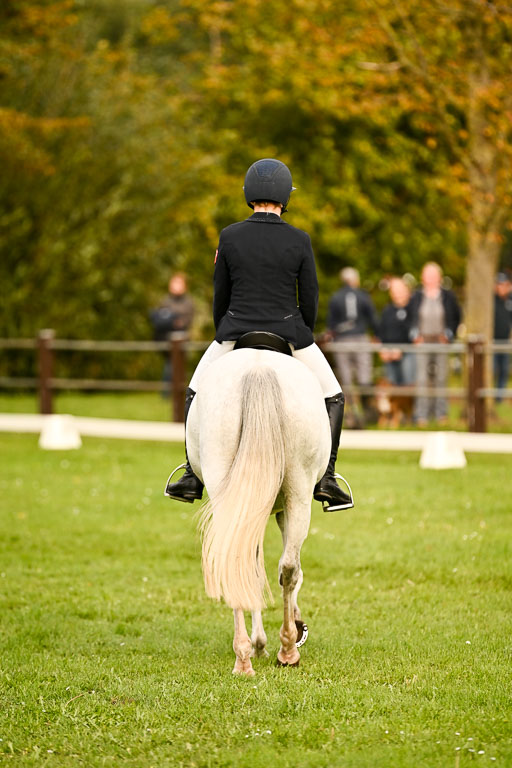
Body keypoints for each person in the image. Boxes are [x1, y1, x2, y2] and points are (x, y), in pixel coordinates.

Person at [165, 158, 353, 512]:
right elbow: (309, 297)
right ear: (285, 197)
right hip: (289, 332)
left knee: (194, 390)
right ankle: (327, 477)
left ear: (249, 194)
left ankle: (191, 473)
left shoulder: (230, 235)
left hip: (236, 331)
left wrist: (226, 329)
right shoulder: (299, 239)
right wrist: (303, 333)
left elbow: (219, 294)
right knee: (334, 395)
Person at [408, 262, 461, 425]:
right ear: (423, 278)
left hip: (441, 342)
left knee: (441, 379)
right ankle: (422, 414)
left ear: (439, 277)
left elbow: (457, 317)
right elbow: (410, 318)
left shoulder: (448, 296)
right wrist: (415, 335)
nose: (430, 279)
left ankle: (441, 414)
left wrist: (449, 334)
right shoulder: (416, 296)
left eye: (433, 275)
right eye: (427, 275)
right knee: (422, 379)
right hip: (423, 341)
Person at [326, 267, 379, 426]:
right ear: (355, 280)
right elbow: (373, 318)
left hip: (342, 341)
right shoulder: (363, 296)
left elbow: (331, 324)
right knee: (365, 376)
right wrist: (377, 335)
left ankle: (350, 415)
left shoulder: (336, 297)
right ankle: (367, 413)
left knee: (346, 380)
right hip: (360, 339)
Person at [150, 273, 195, 394]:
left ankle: (176, 392)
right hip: (165, 339)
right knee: (169, 365)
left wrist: (172, 318)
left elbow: (185, 321)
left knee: (177, 367)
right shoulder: (166, 300)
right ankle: (167, 393)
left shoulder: (188, 302)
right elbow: (160, 318)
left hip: (182, 339)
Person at [378, 277, 415, 386]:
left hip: (408, 354)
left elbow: (413, 333)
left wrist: (401, 350)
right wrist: (382, 350)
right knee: (392, 388)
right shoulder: (387, 310)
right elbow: (381, 332)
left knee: (407, 388)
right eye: (394, 291)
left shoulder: (413, 309)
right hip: (389, 356)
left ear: (407, 290)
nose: (396, 294)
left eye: (399, 290)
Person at [493, 272, 512, 403]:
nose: (502, 288)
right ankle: (490, 394)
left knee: (504, 370)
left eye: (505, 285)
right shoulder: (491, 301)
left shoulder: (510, 301)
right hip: (492, 342)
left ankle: (499, 398)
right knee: (492, 369)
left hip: (506, 343)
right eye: (500, 285)